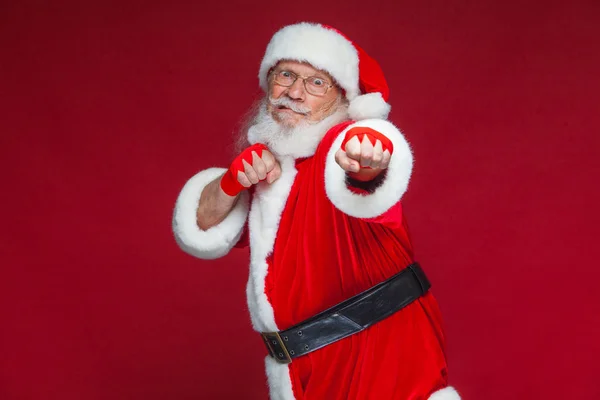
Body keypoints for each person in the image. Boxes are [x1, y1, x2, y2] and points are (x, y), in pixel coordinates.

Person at [172, 22, 460, 400]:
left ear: (342, 98)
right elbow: (202, 225)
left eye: (316, 83)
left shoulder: (340, 149)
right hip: (302, 367)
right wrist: (232, 182)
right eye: (286, 75)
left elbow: (369, 169)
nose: (294, 92)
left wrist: (367, 158)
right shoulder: (271, 170)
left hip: (377, 353)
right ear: (267, 82)